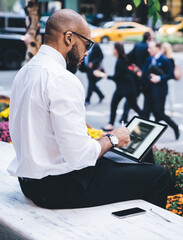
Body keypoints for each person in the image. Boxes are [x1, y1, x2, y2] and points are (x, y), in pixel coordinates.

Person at [8, 9, 170, 210]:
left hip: (30, 183)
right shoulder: (62, 78)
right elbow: (79, 157)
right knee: (159, 175)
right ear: (69, 38)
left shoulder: (25, 71)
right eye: (87, 44)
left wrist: (102, 142)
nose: (87, 52)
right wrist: (112, 138)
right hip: (59, 188)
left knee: (139, 158)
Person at [141, 40, 180, 140]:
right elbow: (144, 72)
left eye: (151, 48)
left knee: (159, 114)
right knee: (145, 113)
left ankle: (175, 127)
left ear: (158, 48)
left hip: (159, 92)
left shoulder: (164, 60)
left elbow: (171, 74)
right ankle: (143, 137)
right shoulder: (148, 59)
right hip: (148, 91)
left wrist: (159, 78)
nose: (148, 50)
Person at [102, 42, 143, 131]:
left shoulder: (120, 61)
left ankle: (111, 124)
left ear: (116, 50)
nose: (112, 51)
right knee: (134, 105)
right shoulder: (123, 59)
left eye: (113, 49)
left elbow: (117, 77)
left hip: (124, 88)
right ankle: (145, 119)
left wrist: (105, 75)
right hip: (128, 87)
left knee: (114, 104)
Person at [120, 31, 153, 123]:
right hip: (145, 76)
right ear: (149, 38)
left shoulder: (137, 45)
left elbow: (129, 56)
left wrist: (131, 67)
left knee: (131, 97)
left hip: (135, 75)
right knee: (147, 97)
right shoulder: (149, 47)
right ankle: (145, 118)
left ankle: (124, 116)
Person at [161, 42, 175, 114]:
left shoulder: (168, 59)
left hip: (168, 79)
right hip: (165, 79)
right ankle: (168, 109)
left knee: (170, 95)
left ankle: (171, 109)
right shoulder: (166, 58)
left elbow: (170, 72)